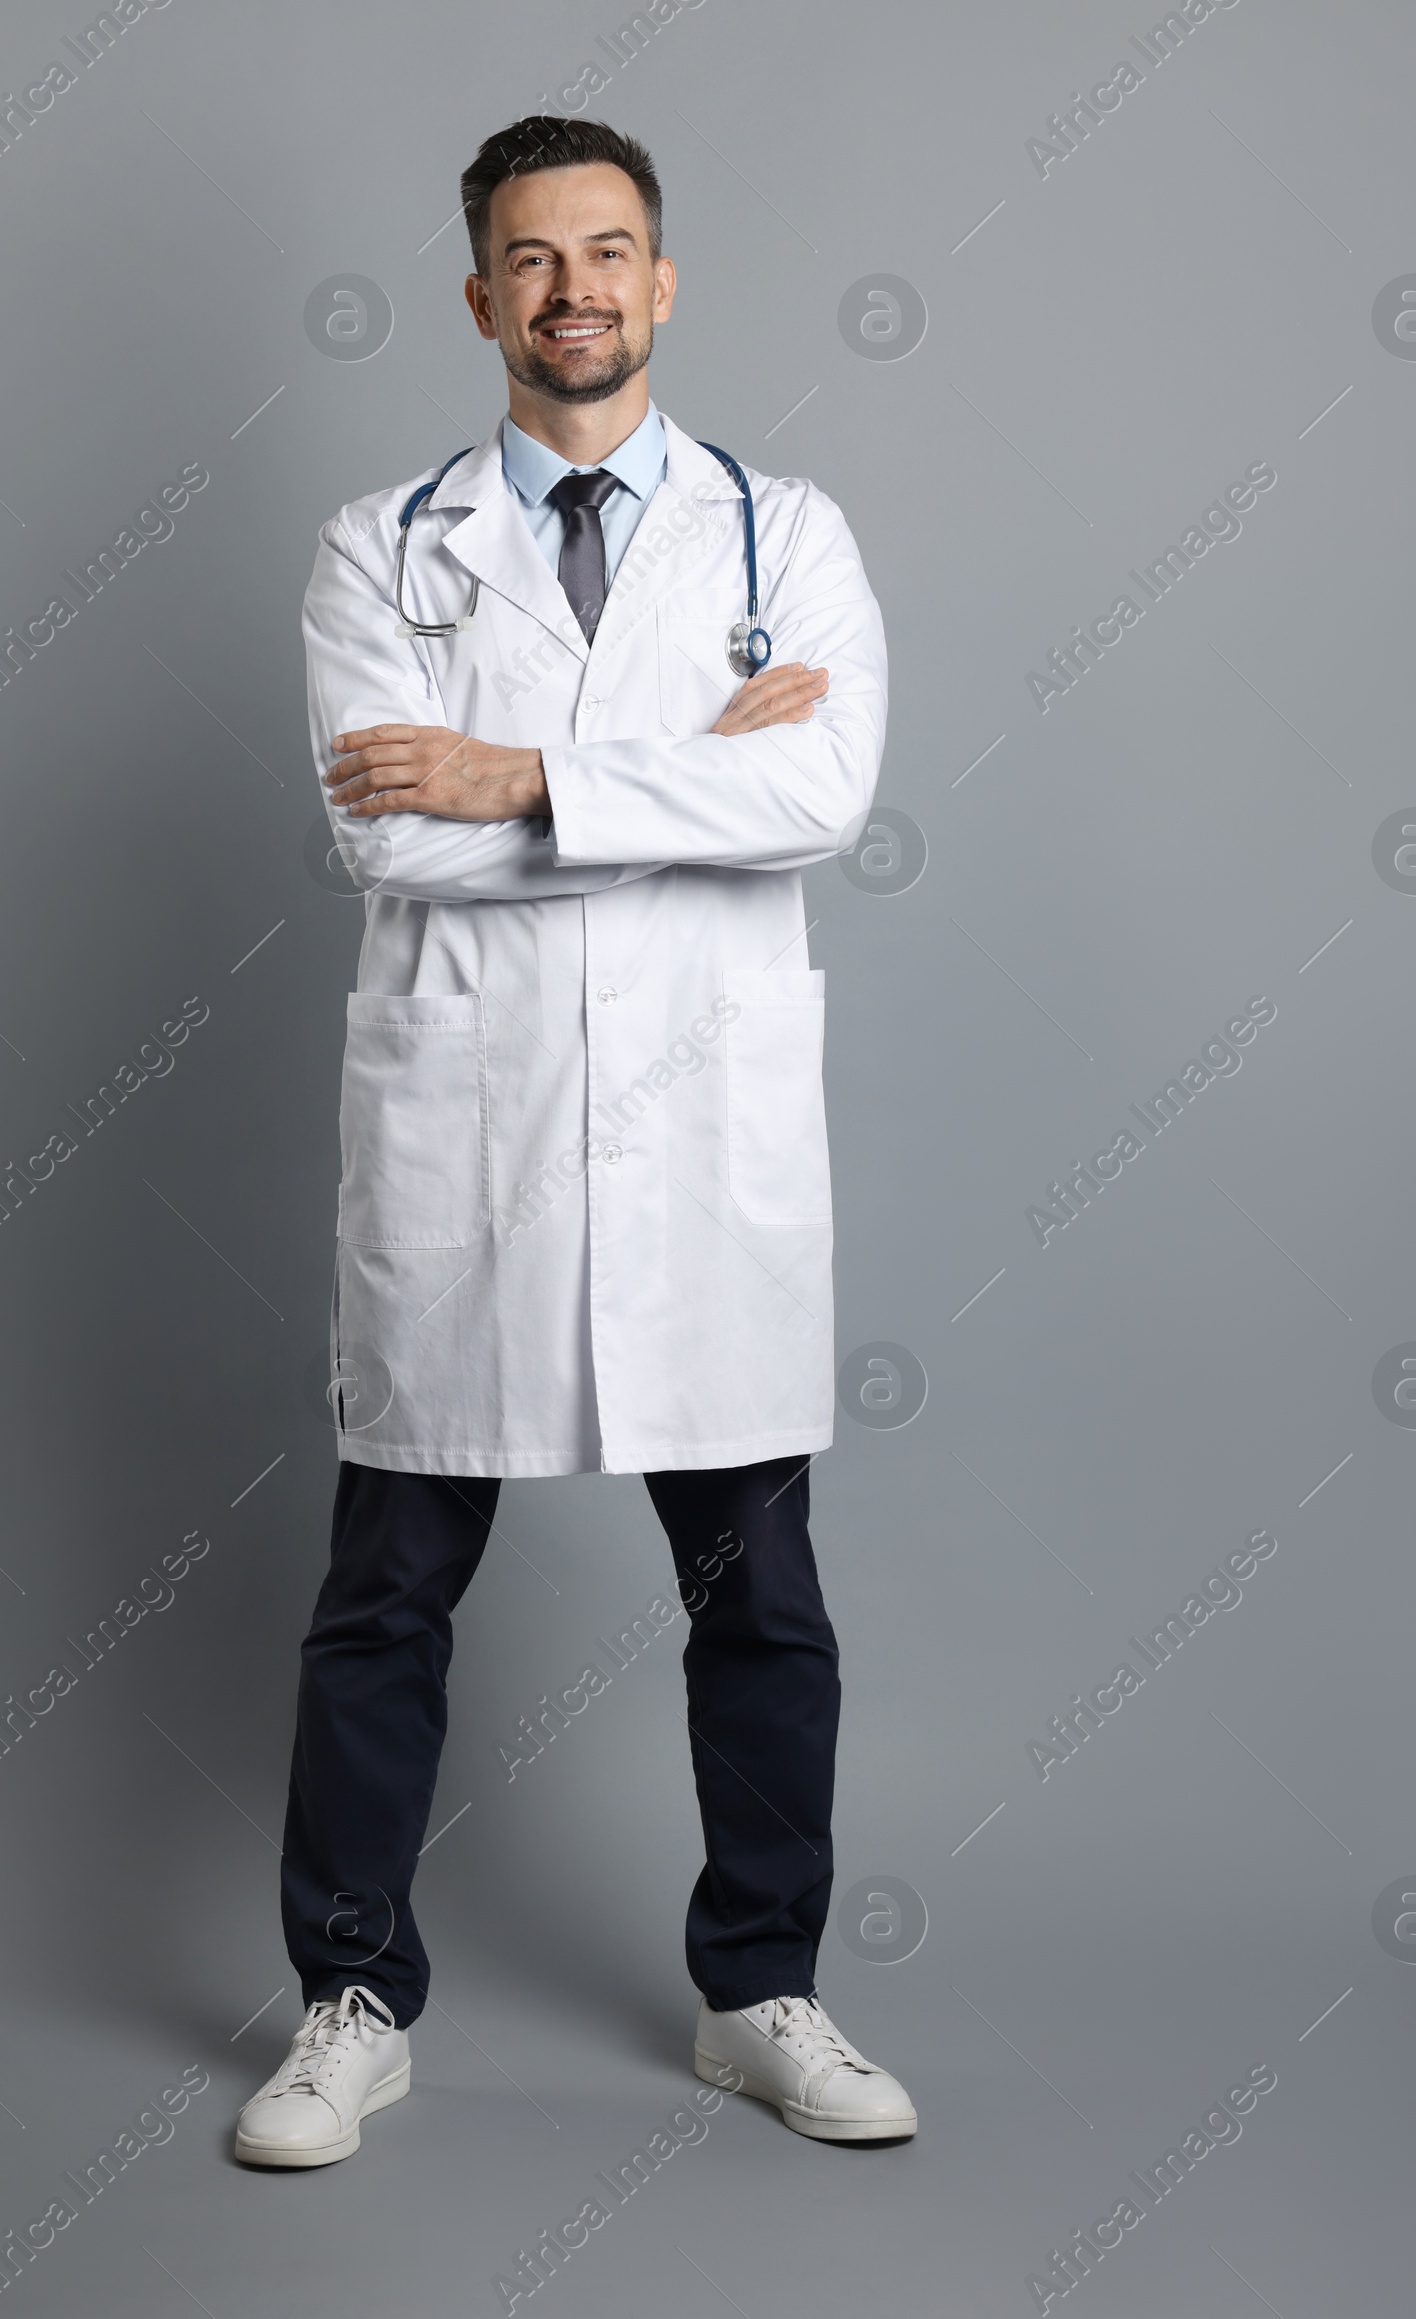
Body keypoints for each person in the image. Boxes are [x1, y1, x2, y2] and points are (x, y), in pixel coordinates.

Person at [234, 115, 915, 2167]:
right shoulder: (383, 543)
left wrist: (519, 774)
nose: (575, 293)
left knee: (759, 1601)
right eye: (531, 262)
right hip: (477, 1140)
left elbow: (821, 796)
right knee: (385, 1596)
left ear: (664, 280)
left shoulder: (780, 530)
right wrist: (672, 777)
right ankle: (350, 2002)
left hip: (703, 1147)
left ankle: (758, 1991)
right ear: (477, 298)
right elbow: (382, 831)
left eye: (608, 252)